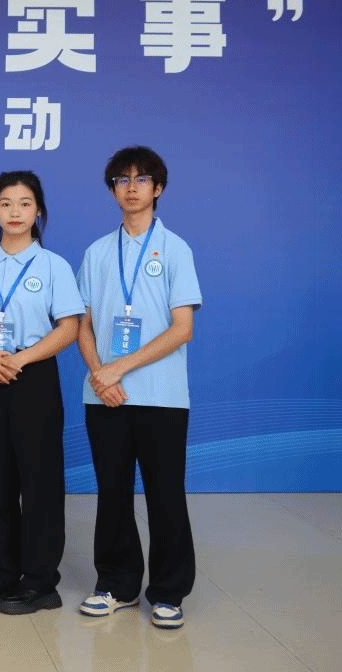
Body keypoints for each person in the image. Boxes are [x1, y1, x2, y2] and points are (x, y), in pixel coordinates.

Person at [75, 146, 201, 630]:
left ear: (158, 188)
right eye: (122, 180)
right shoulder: (96, 252)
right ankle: (116, 584)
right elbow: (82, 324)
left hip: (162, 397)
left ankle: (169, 592)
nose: (131, 187)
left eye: (142, 179)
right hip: (104, 397)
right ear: (113, 190)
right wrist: (99, 374)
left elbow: (182, 328)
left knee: (165, 496)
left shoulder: (175, 249)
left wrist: (119, 367)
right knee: (112, 494)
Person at [0, 170, 82, 616]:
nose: (15, 212)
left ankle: (40, 581)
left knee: (40, 480)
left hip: (33, 376)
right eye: (6, 204)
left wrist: (21, 359)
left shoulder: (53, 266)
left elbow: (69, 327)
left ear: (38, 210)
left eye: (25, 203)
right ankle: (2, 574)